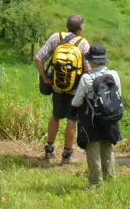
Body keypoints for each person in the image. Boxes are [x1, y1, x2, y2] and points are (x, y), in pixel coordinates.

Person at [35, 13, 92, 165]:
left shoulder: (56, 38)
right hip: (75, 88)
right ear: (80, 29)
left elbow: (38, 58)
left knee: (55, 116)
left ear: (67, 26)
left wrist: (46, 79)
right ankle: (66, 155)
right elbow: (88, 69)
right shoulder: (83, 44)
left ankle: (49, 150)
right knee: (71, 120)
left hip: (57, 87)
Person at [72, 44, 123, 187]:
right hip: (110, 117)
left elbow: (77, 102)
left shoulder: (86, 78)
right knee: (107, 146)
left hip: (91, 119)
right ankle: (110, 178)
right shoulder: (114, 75)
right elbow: (118, 94)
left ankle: (95, 182)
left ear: (91, 61)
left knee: (92, 148)